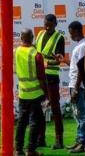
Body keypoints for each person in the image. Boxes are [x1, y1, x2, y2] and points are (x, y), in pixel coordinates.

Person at [33, 14, 67, 149]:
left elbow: (59, 59)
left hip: (52, 77)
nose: (46, 27)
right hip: (39, 76)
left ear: (55, 24)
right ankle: (41, 139)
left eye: (49, 25)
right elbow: (36, 53)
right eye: (45, 24)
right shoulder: (40, 33)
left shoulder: (60, 37)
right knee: (39, 108)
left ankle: (59, 140)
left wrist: (47, 63)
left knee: (55, 108)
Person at [15, 28, 48, 156]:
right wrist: (46, 93)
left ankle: (18, 149)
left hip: (23, 92)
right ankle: (31, 150)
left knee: (22, 122)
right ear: (33, 37)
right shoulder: (36, 54)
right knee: (35, 122)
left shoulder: (16, 51)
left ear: (21, 37)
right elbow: (41, 76)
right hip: (35, 93)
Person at [66, 20, 85, 154]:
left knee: (82, 114)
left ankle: (83, 142)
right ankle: (79, 139)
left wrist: (75, 87)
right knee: (78, 114)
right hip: (75, 84)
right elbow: (76, 65)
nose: (70, 36)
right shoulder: (80, 46)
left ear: (76, 31)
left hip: (78, 86)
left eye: (70, 33)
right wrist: (63, 61)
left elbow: (82, 69)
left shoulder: (82, 46)